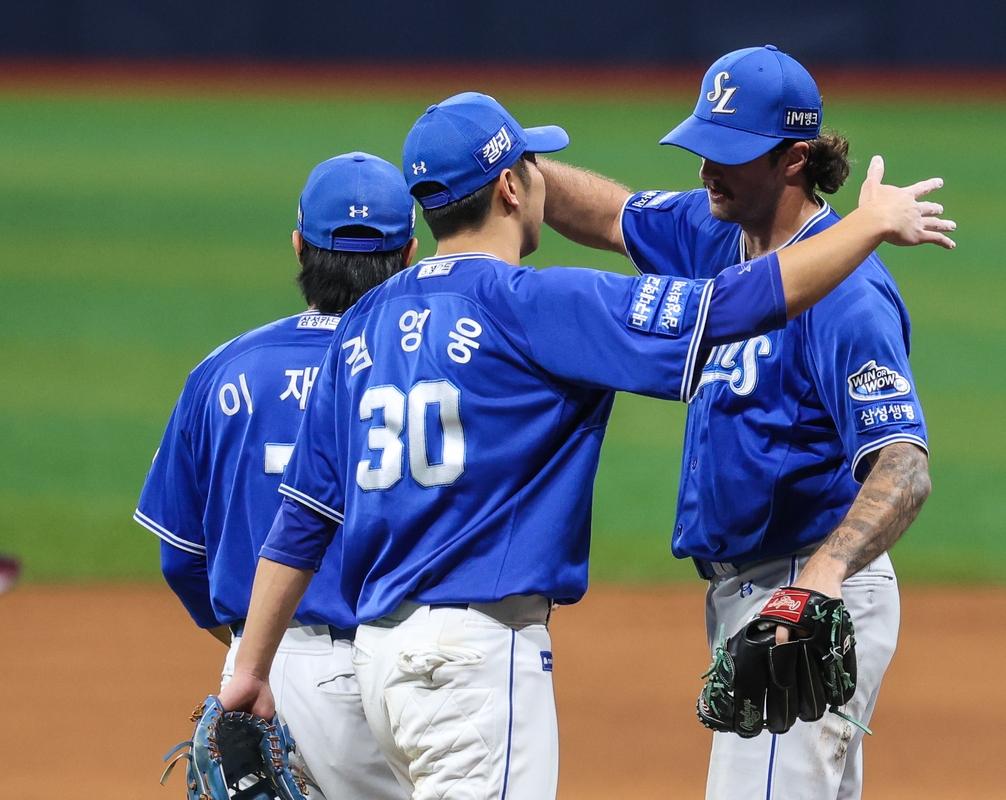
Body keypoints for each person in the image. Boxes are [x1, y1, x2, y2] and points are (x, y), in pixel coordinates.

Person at [218, 92, 953, 800]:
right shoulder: (544, 304)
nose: (703, 170)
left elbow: (304, 514)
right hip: (477, 662)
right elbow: (728, 303)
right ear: (511, 186)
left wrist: (248, 671)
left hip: (383, 660)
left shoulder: (364, 324)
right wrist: (865, 229)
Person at [538, 45, 933, 800]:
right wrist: (498, 158)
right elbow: (607, 213)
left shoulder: (847, 296)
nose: (705, 170)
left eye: (729, 154)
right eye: (702, 146)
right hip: (748, 594)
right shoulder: (715, 232)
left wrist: (819, 580)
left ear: (793, 161)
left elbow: (905, 465)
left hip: (805, 589)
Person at [134, 152, 417, 800]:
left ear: (298, 248)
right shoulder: (417, 374)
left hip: (256, 669)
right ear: (408, 255)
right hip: (384, 671)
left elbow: (181, 559)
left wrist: (252, 642)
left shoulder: (222, 373)